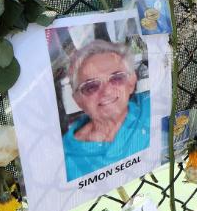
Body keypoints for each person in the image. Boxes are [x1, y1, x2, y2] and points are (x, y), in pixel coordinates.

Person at [62, 40, 150, 181]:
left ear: (131, 82)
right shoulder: (63, 157)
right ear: (78, 100)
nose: (106, 91)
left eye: (116, 78)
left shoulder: (150, 105)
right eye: (91, 86)